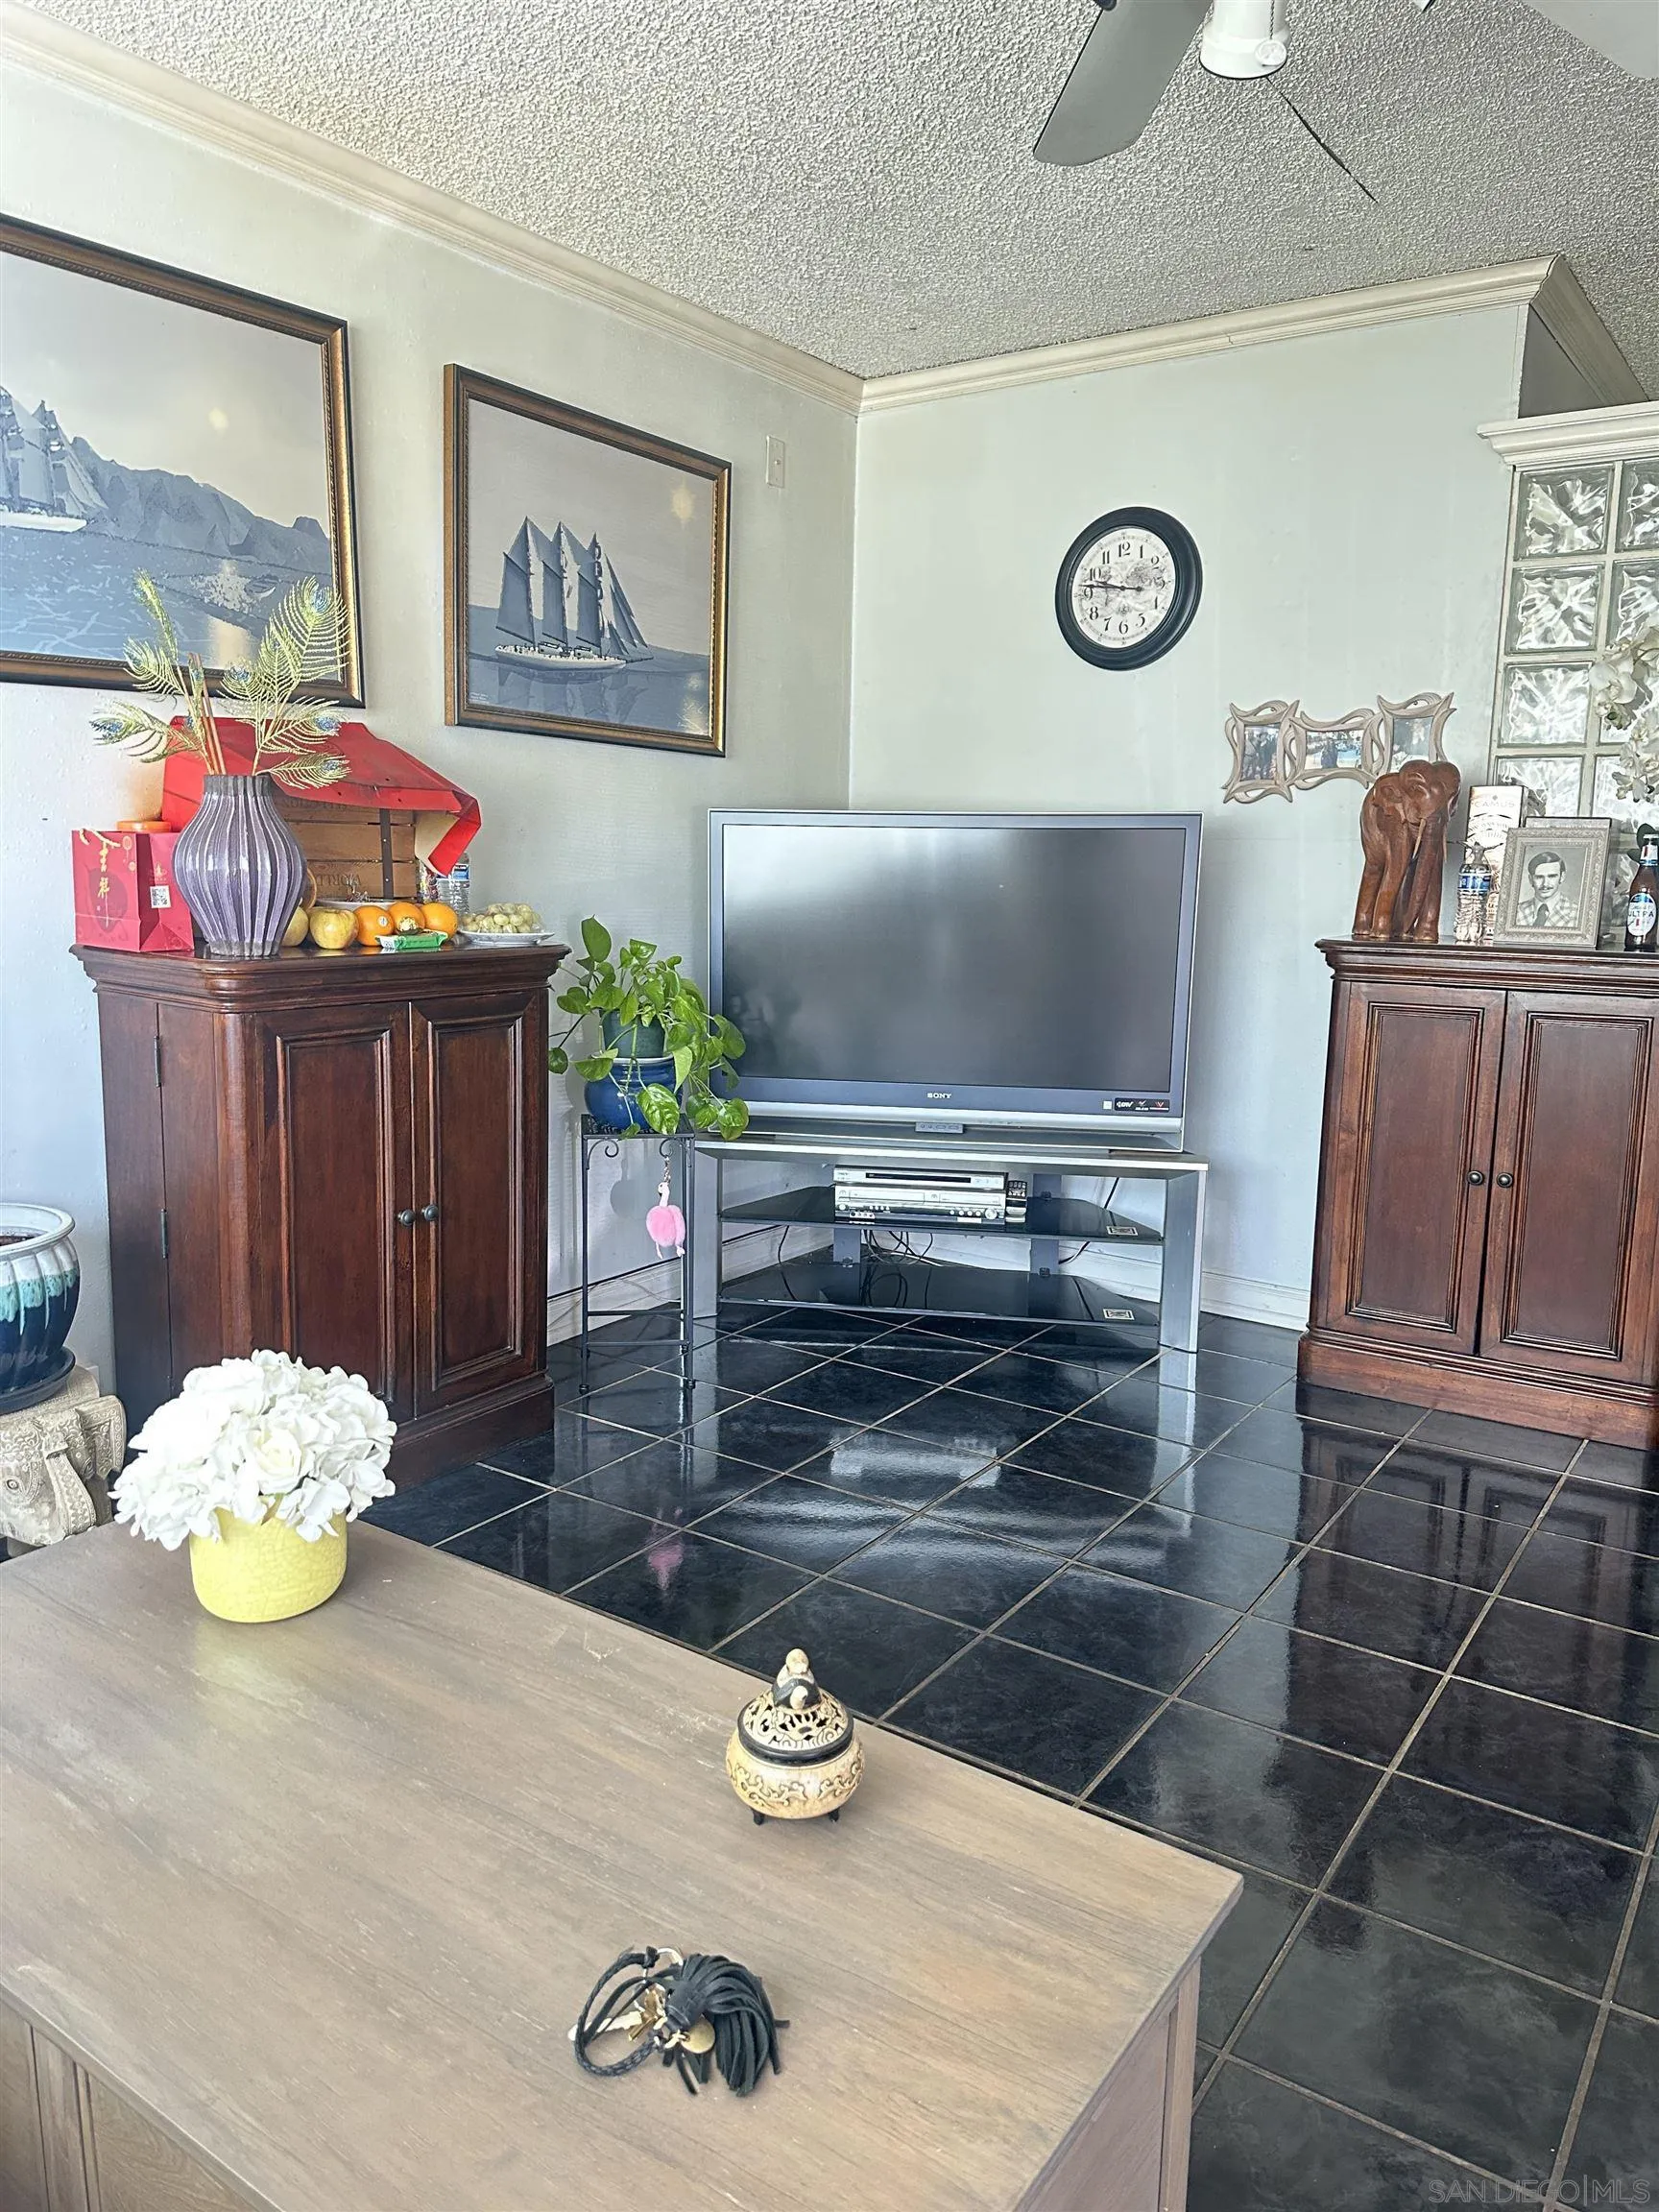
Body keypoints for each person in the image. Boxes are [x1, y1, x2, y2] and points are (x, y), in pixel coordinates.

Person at [1517, 850, 1575, 929]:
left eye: (1552, 876)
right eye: (1539, 877)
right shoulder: (1516, 912)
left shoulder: (1576, 913)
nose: (1545, 884)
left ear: (1562, 877)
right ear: (1531, 879)